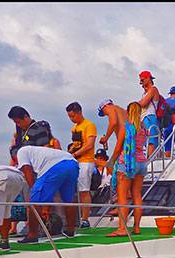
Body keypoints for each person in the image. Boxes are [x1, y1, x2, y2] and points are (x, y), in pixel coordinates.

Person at [12, 145, 79, 243]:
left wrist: (33, 191)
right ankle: (70, 230)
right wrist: (45, 207)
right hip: (72, 163)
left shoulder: (21, 151)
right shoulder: (40, 152)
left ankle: (32, 235)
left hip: (55, 166)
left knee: (34, 202)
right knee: (68, 199)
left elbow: (27, 170)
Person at [105, 101, 148, 237]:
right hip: (141, 163)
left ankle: (122, 229)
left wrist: (111, 162)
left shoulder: (127, 127)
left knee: (122, 197)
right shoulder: (143, 128)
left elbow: (118, 148)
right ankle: (136, 227)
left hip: (127, 163)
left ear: (129, 112)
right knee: (137, 195)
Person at [66, 102, 98, 229]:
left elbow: (89, 144)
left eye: (73, 116)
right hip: (76, 161)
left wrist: (75, 154)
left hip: (86, 161)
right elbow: (75, 143)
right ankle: (78, 217)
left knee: (84, 190)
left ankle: (85, 218)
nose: (72, 119)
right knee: (77, 191)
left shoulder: (89, 125)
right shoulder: (74, 128)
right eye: (69, 117)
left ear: (79, 113)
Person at [137, 70, 161, 159]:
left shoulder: (153, 89)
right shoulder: (145, 93)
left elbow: (143, 103)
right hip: (144, 119)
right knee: (147, 141)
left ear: (148, 79)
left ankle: (151, 161)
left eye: (142, 80)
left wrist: (133, 106)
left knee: (152, 140)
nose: (141, 83)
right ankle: (151, 159)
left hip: (150, 117)